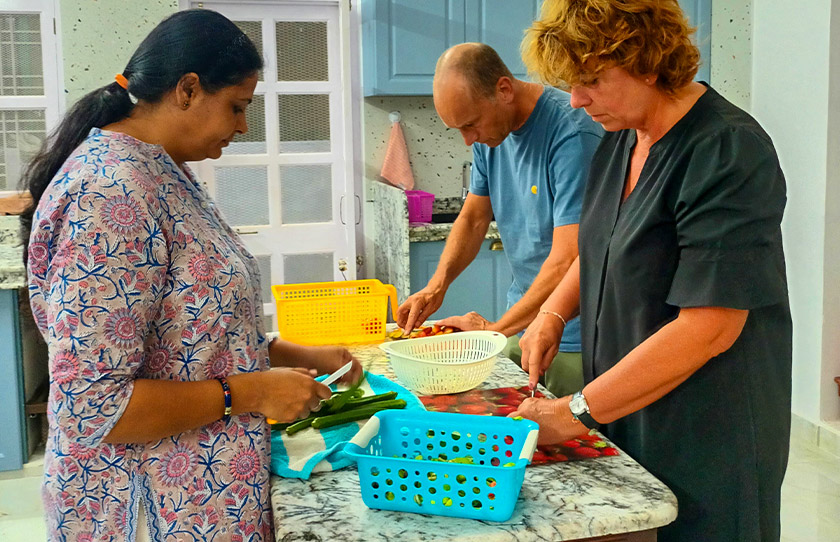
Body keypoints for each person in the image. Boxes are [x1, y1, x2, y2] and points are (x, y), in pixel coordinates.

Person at [21, 10, 361, 541]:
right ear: (187, 89)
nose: (243, 126)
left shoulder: (163, 171)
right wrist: (250, 392)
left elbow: (188, 330)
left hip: (202, 496)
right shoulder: (108, 193)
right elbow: (96, 407)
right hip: (145, 506)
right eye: (237, 106)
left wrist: (296, 354)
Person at [514, 1, 792, 540]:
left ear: (646, 61)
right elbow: (601, 244)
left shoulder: (726, 149)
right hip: (624, 407)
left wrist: (573, 413)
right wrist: (552, 313)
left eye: (592, 80)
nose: (576, 100)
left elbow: (710, 327)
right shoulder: (622, 137)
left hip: (707, 431)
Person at [395, 43, 602, 397]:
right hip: (520, 325)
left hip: (573, 338)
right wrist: (436, 286)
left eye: (470, 125)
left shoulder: (573, 135)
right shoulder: (489, 135)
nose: (468, 140)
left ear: (504, 89)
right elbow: (473, 218)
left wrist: (492, 332)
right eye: (458, 129)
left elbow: (568, 258)